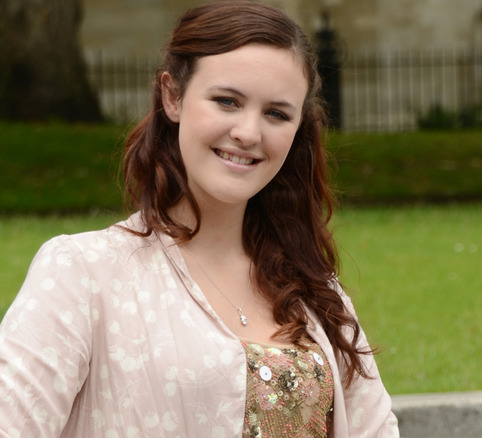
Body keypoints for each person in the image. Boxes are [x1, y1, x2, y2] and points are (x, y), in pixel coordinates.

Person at [0, 2, 399, 437]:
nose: (248, 132)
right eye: (227, 101)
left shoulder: (316, 291)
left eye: (276, 113)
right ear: (172, 96)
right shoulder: (83, 273)